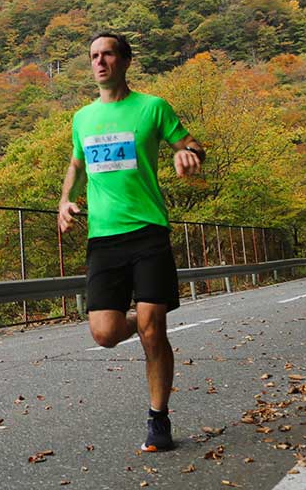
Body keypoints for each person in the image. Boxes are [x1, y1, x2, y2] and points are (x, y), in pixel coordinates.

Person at [57, 32, 206, 453]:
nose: (99, 62)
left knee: (152, 327)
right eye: (93, 56)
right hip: (103, 238)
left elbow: (191, 143)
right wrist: (65, 200)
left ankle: (158, 419)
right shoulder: (82, 118)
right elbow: (76, 163)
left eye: (107, 55)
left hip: (148, 232)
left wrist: (187, 154)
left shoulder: (152, 107)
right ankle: (137, 324)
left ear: (124, 61)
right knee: (104, 333)